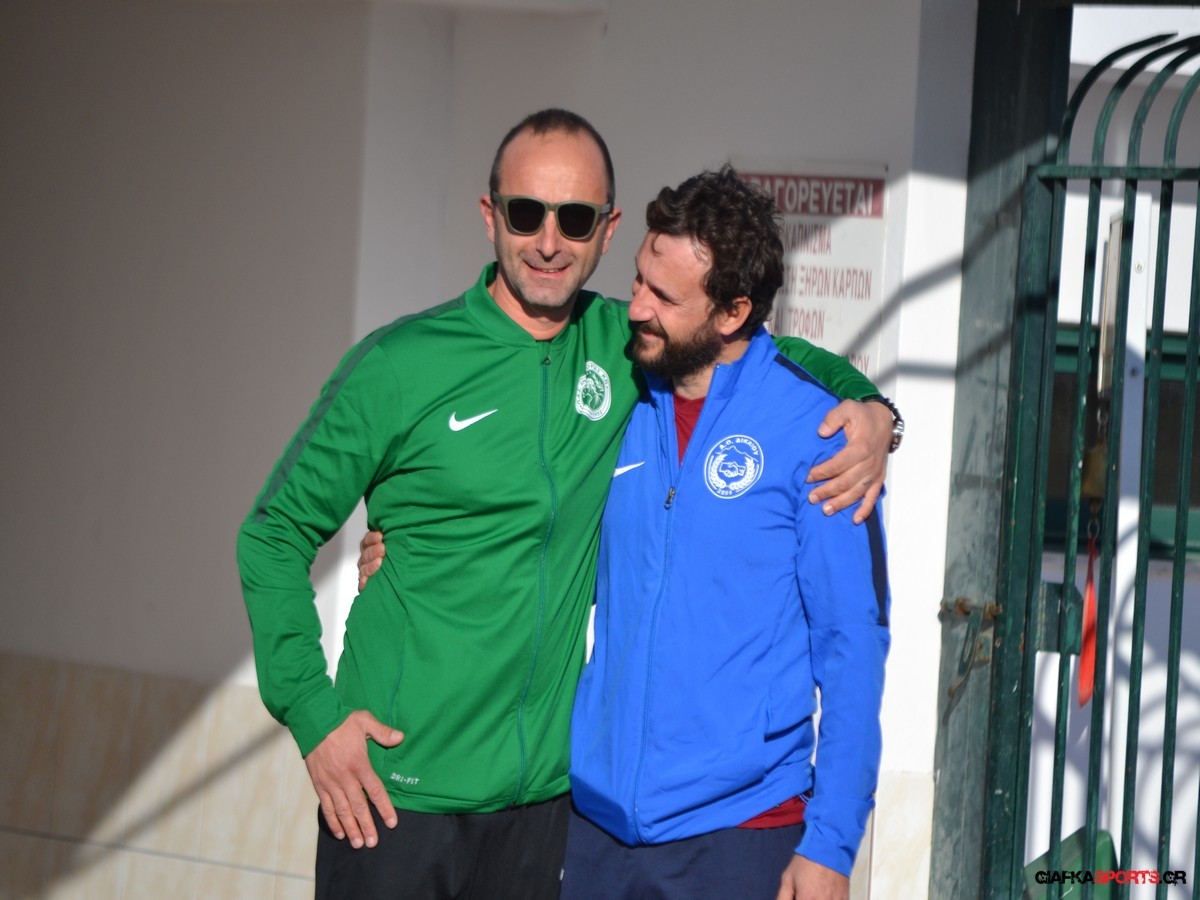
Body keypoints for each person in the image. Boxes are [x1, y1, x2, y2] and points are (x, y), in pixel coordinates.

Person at [237, 109, 898, 900]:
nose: (549, 241)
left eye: (575, 219)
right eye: (526, 213)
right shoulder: (404, 364)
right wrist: (314, 717)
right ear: (490, 215)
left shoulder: (629, 350)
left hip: (548, 814)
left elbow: (763, 355)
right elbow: (272, 535)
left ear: (605, 229)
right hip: (397, 799)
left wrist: (874, 413)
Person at [561, 167, 890, 900]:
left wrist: (831, 844)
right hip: (596, 831)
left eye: (664, 297)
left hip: (741, 834)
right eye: (638, 280)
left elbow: (852, 646)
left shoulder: (818, 434)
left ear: (733, 312)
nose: (636, 307)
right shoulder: (613, 400)